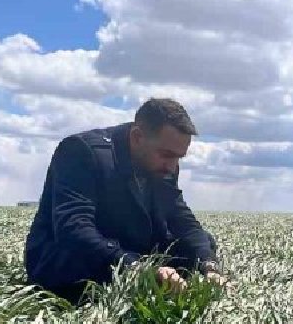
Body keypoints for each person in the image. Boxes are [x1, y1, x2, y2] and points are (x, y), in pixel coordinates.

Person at [24, 98, 226, 305]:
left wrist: (209, 266)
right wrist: (137, 266)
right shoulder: (82, 151)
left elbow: (180, 217)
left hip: (125, 246)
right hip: (71, 254)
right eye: (166, 155)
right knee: (83, 262)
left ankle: (155, 279)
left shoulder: (162, 165)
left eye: (178, 158)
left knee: (201, 243)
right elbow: (73, 229)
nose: (172, 167)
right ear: (137, 137)